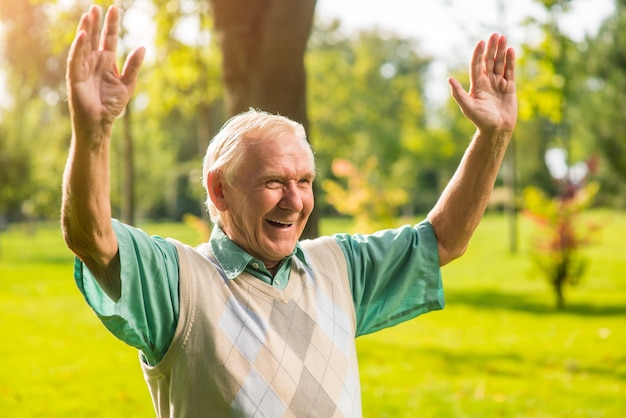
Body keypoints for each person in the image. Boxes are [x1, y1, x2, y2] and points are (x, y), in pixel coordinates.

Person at [62, 4, 517, 417]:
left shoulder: (339, 267)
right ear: (219, 190)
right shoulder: (180, 283)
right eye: (273, 182)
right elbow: (92, 239)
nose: (294, 200)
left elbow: (442, 241)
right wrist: (93, 134)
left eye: (304, 181)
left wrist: (492, 136)